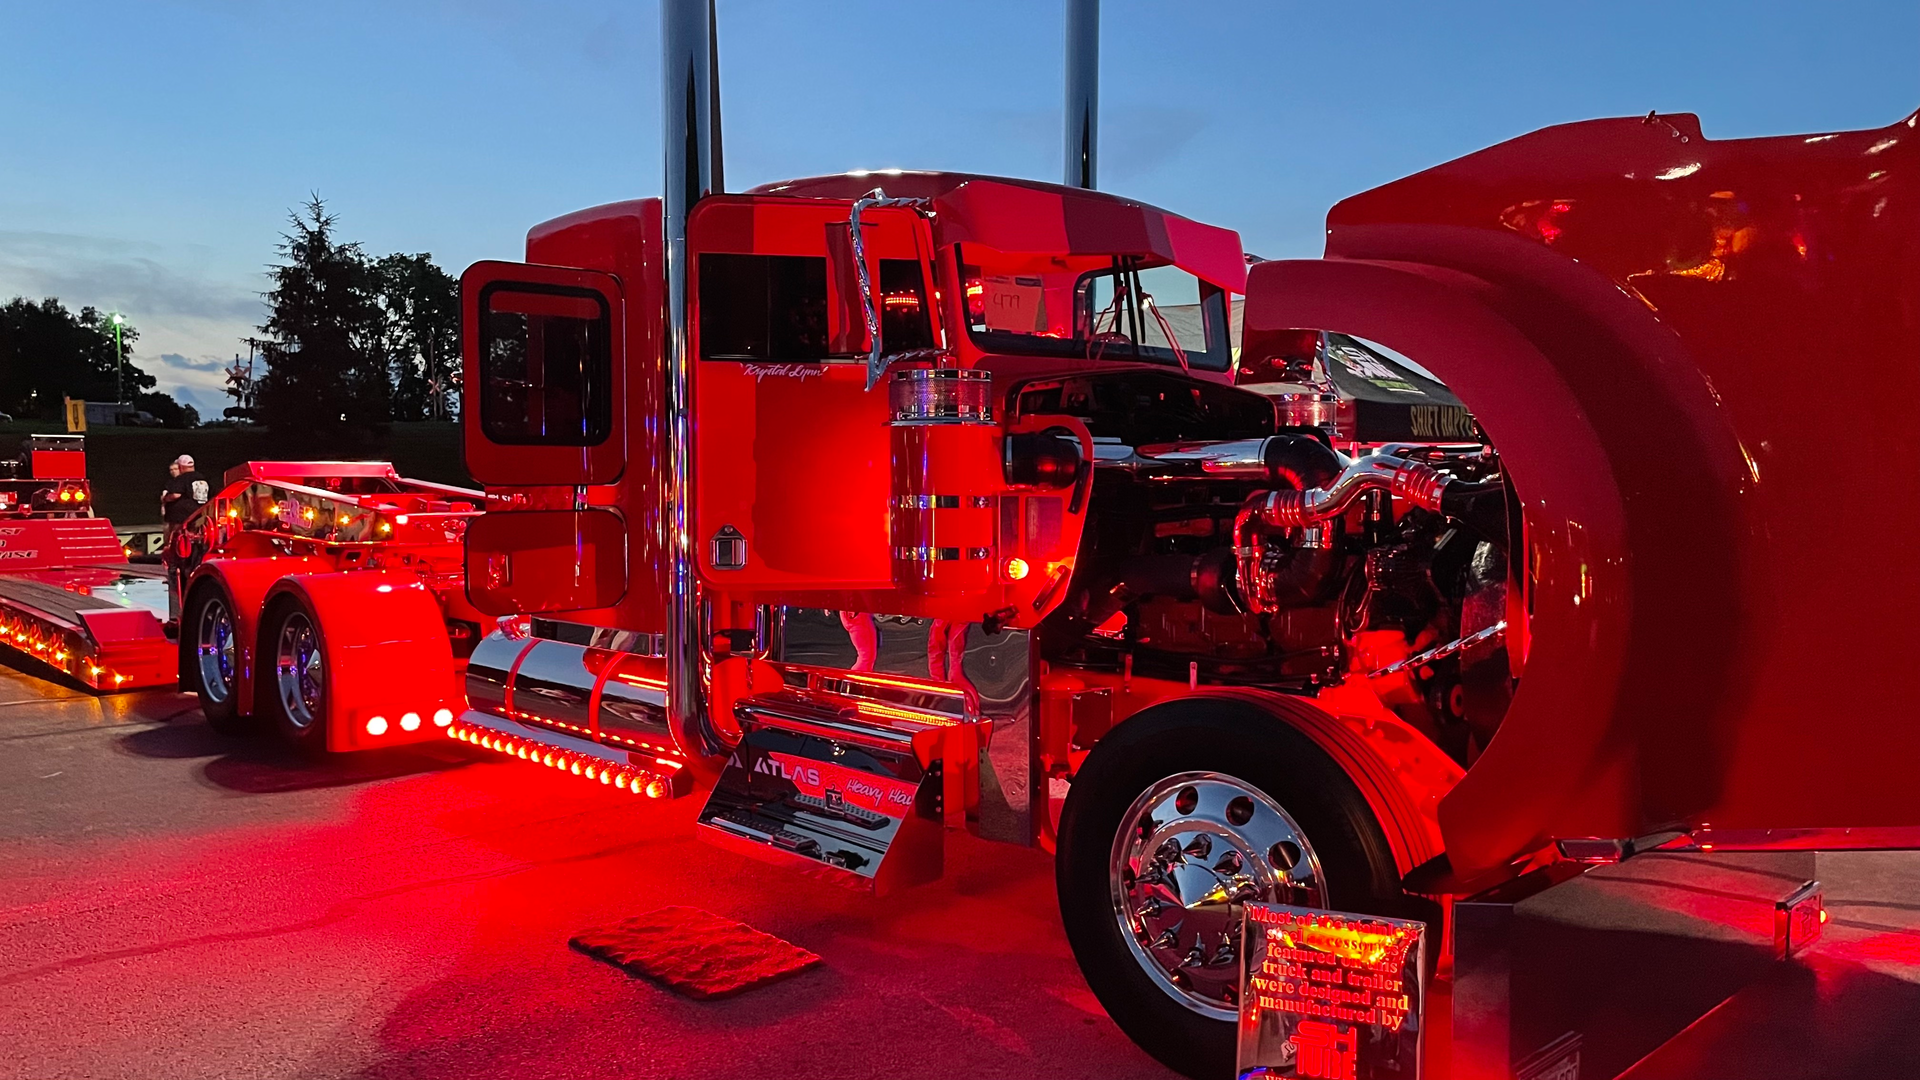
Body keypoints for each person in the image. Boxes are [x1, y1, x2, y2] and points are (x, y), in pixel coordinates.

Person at [161, 454, 210, 534]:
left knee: (174, 534)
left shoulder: (182, 478)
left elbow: (176, 495)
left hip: (181, 516)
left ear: (181, 467)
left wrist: (166, 498)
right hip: (199, 512)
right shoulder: (202, 477)